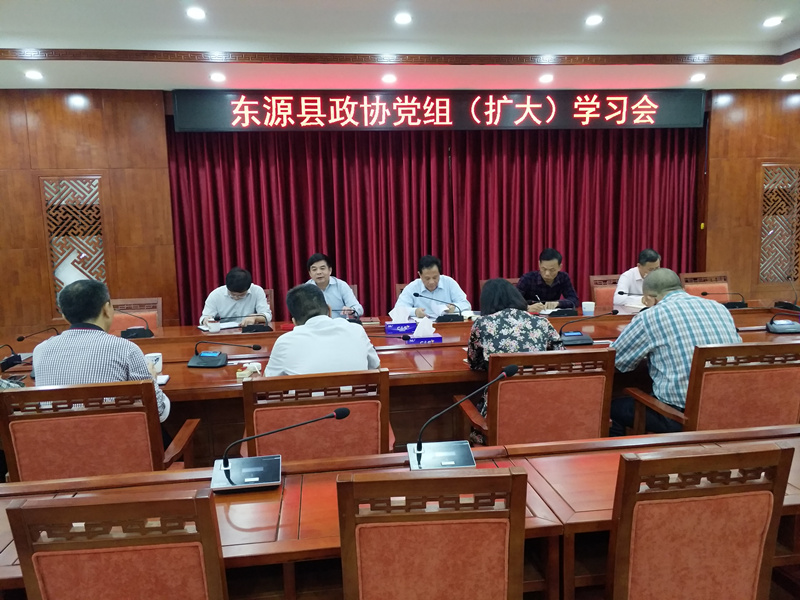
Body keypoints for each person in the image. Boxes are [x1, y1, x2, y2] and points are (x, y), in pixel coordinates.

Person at [609, 268, 741, 436]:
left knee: (612, 407)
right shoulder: (719, 308)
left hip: (678, 416)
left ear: (649, 298)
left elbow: (616, 361)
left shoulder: (650, 316)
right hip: (729, 409)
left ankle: (622, 453)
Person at [32, 279, 170, 423]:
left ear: (64, 316)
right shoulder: (126, 349)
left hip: (56, 436)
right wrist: (151, 380)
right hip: (114, 436)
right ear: (106, 309)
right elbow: (158, 412)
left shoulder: (40, 351)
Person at [466, 279, 562, 444]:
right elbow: (560, 356)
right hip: (542, 406)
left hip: (500, 412)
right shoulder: (541, 322)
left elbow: (474, 363)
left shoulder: (482, 324)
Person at [265, 285, 380, 377]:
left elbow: (267, 384)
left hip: (308, 401)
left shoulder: (284, 342)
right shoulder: (356, 330)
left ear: (294, 322)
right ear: (329, 310)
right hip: (358, 400)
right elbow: (376, 368)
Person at [394, 255, 471, 318]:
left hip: (446, 326)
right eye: (427, 278)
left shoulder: (449, 283)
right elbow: (397, 310)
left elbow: (466, 305)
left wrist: (454, 308)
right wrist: (415, 312)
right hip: (422, 328)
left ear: (439, 273)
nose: (431, 282)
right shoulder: (412, 287)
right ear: (420, 275)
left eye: (435, 277)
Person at [199, 267, 271, 326]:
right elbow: (204, 317)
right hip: (223, 334)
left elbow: (267, 315)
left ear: (248, 288)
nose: (236, 297)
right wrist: (206, 320)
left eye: (241, 295)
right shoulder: (216, 295)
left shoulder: (257, 291)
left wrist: (255, 318)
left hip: (250, 332)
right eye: (232, 295)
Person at [305, 252, 364, 318]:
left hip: (339, 323)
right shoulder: (305, 290)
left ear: (330, 270)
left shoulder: (341, 286)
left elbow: (359, 309)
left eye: (322, 268)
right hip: (315, 324)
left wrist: (351, 310)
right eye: (314, 269)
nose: (318, 272)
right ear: (310, 273)